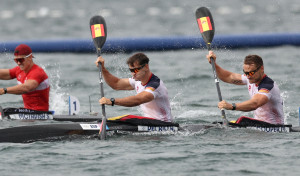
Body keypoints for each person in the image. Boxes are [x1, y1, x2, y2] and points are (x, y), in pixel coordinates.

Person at [206, 51, 284, 125]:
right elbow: (228, 77)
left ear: (261, 69)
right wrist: (214, 64)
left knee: (242, 120)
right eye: (245, 73)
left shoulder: (268, 86)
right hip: (258, 127)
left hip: (274, 129)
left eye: (250, 73)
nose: (248, 76)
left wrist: (232, 106)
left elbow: (255, 103)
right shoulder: (251, 78)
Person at [95, 53, 173, 122]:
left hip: (164, 125)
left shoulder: (155, 85)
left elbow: (138, 100)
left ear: (146, 67)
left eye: (135, 70)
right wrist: (103, 69)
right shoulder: (137, 81)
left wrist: (112, 101)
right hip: (148, 122)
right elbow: (116, 84)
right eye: (131, 70)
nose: (133, 73)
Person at [0, 44, 50, 111]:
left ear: (30, 57)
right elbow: (3, 74)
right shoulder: (19, 70)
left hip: (41, 114)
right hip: (27, 112)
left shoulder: (37, 72)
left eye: (20, 60)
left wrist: (4, 90)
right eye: (16, 60)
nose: (18, 63)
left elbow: (26, 88)